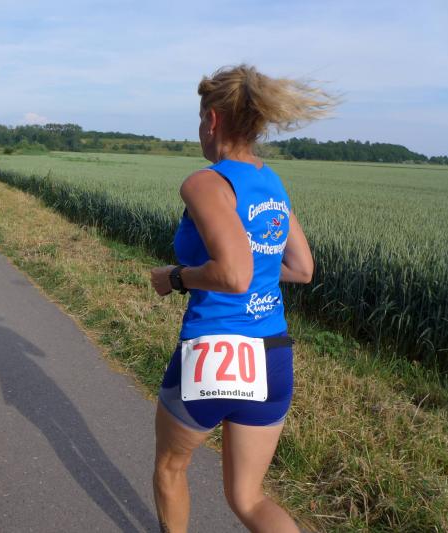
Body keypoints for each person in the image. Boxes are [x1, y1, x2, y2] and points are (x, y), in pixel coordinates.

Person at [149, 64, 335, 532]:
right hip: (271, 354)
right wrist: (257, 273)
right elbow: (302, 268)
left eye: (200, 119)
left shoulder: (206, 183)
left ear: (212, 120)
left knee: (171, 467)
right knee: (249, 498)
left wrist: (176, 277)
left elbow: (234, 275)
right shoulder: (271, 183)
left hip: (215, 351)